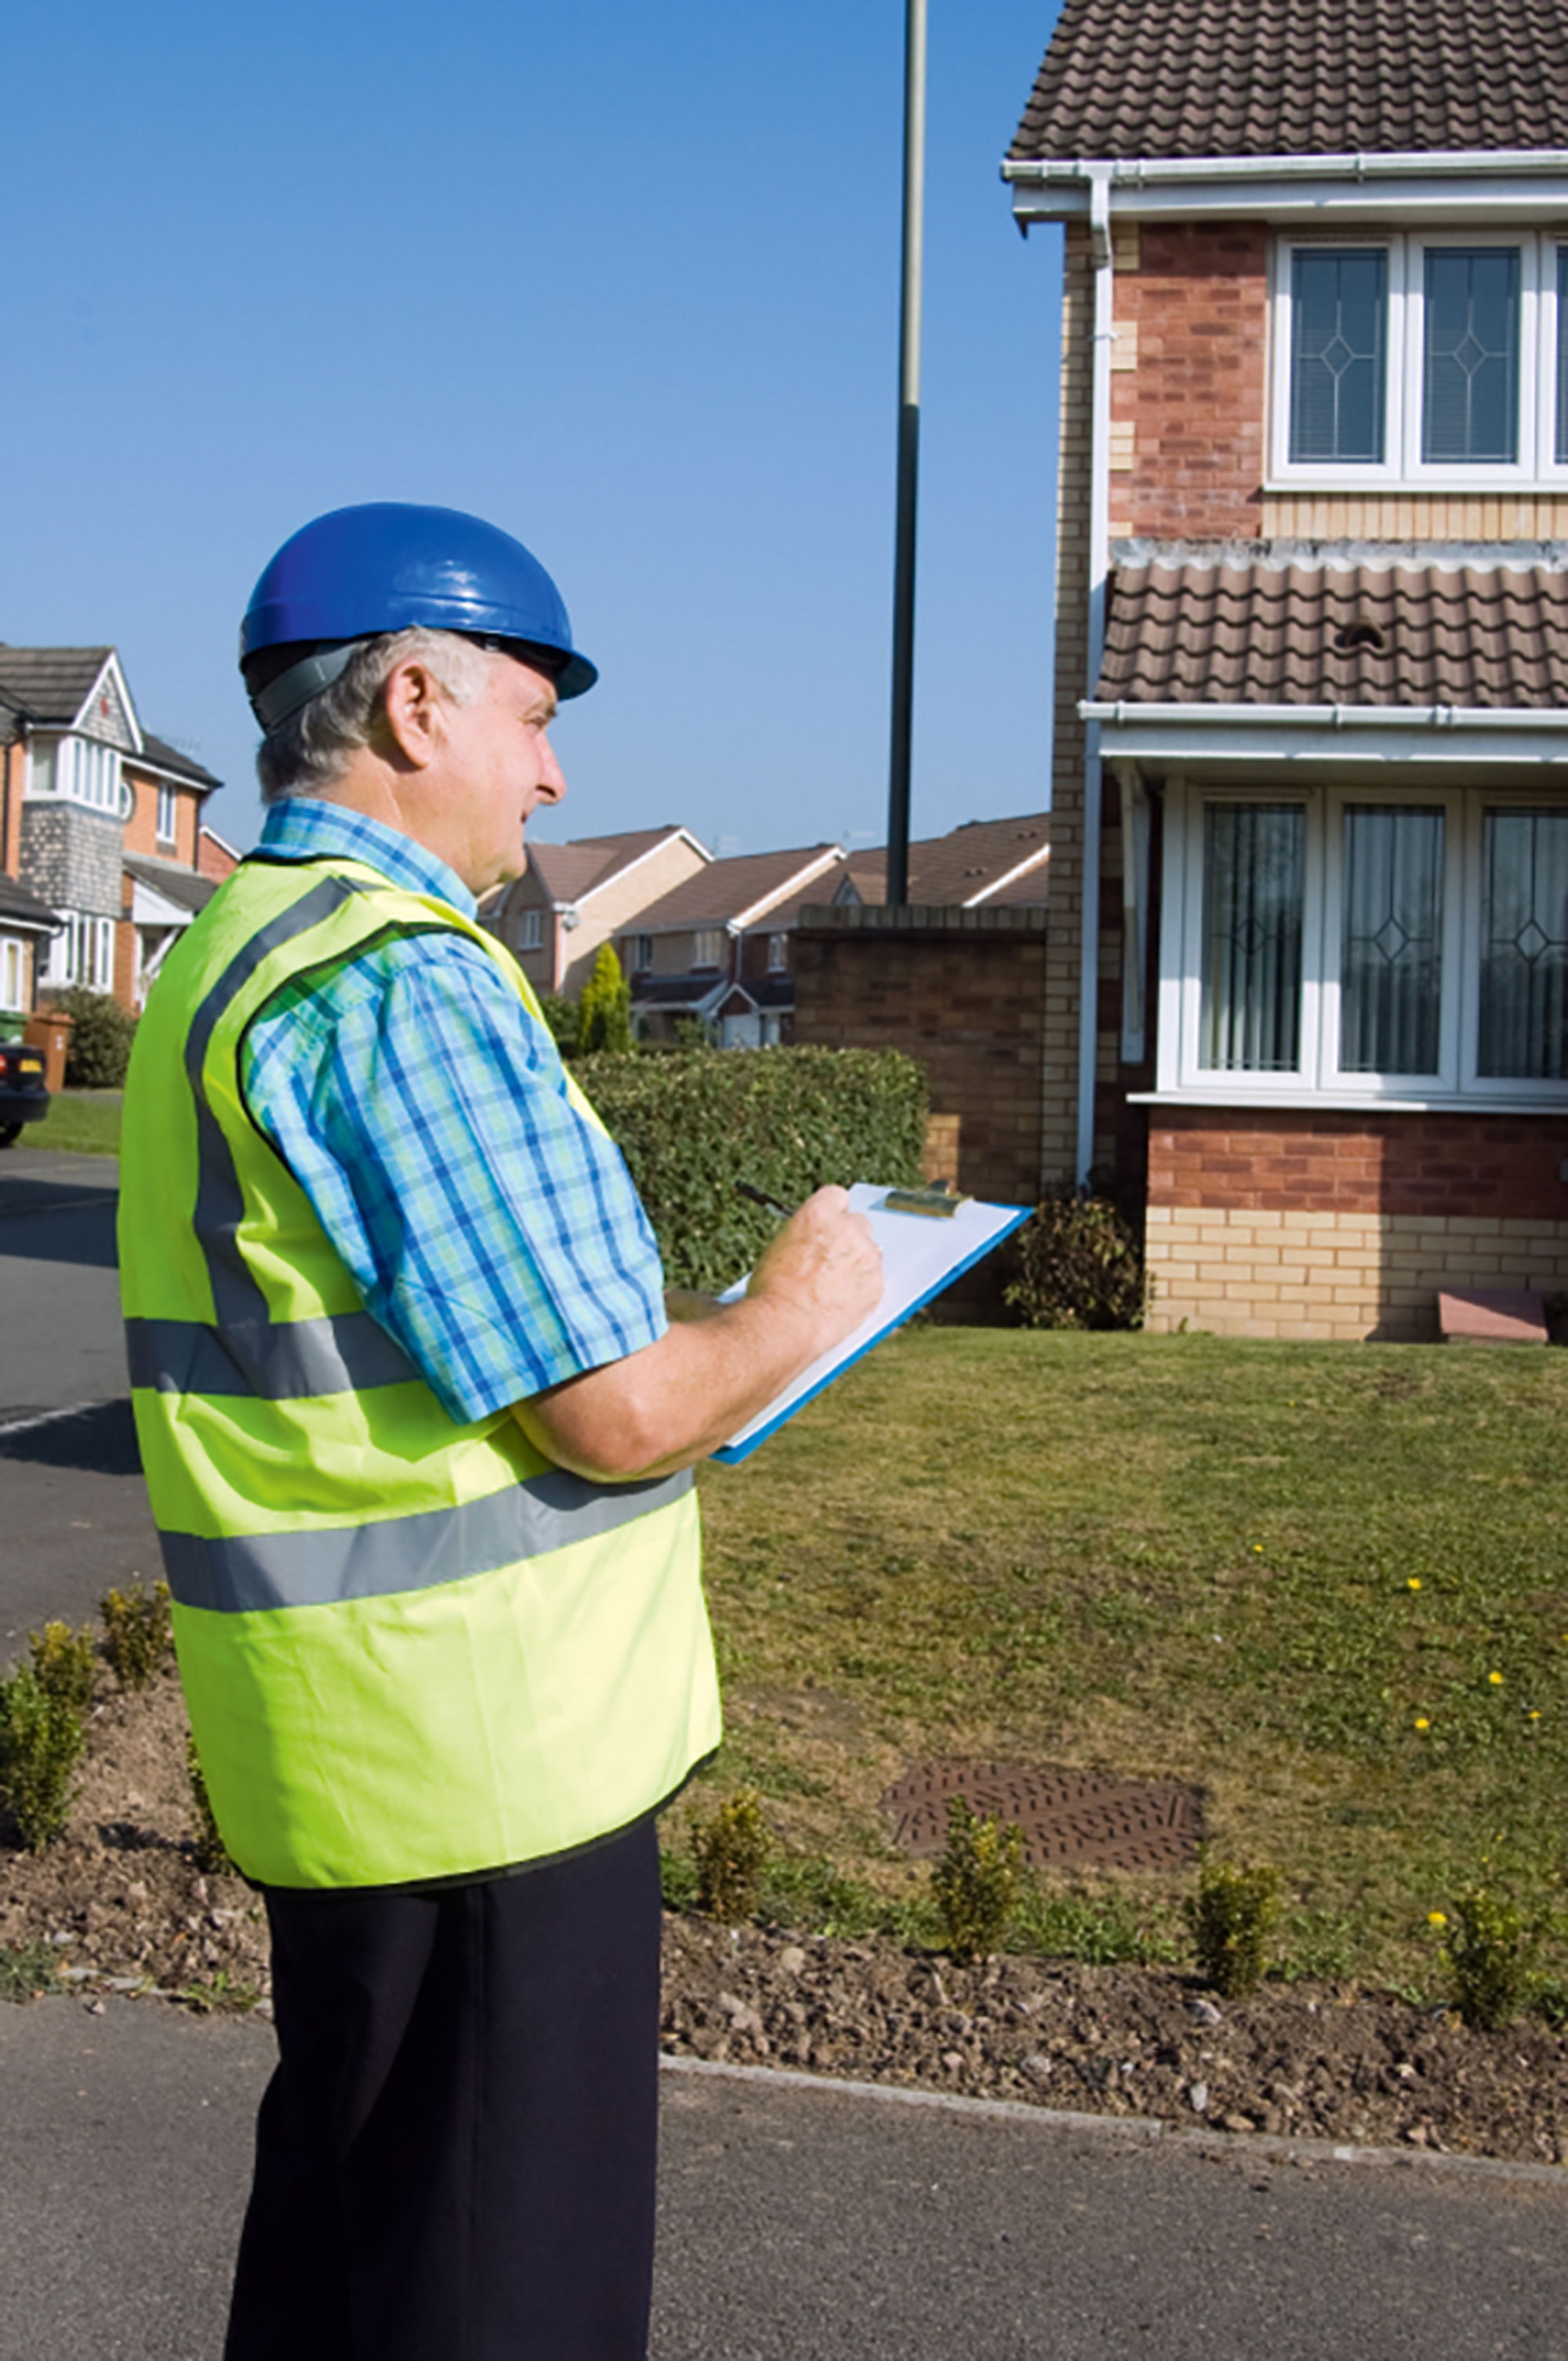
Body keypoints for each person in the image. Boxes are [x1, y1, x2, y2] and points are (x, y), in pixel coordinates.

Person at [117, 502, 882, 2361]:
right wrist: (798, 1312)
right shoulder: (398, 981)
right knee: (486, 2287)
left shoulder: (238, 947)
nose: (554, 771)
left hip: (360, 1762)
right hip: (490, 1773)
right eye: (532, 715)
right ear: (410, 702)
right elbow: (615, 1411)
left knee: (353, 2249)